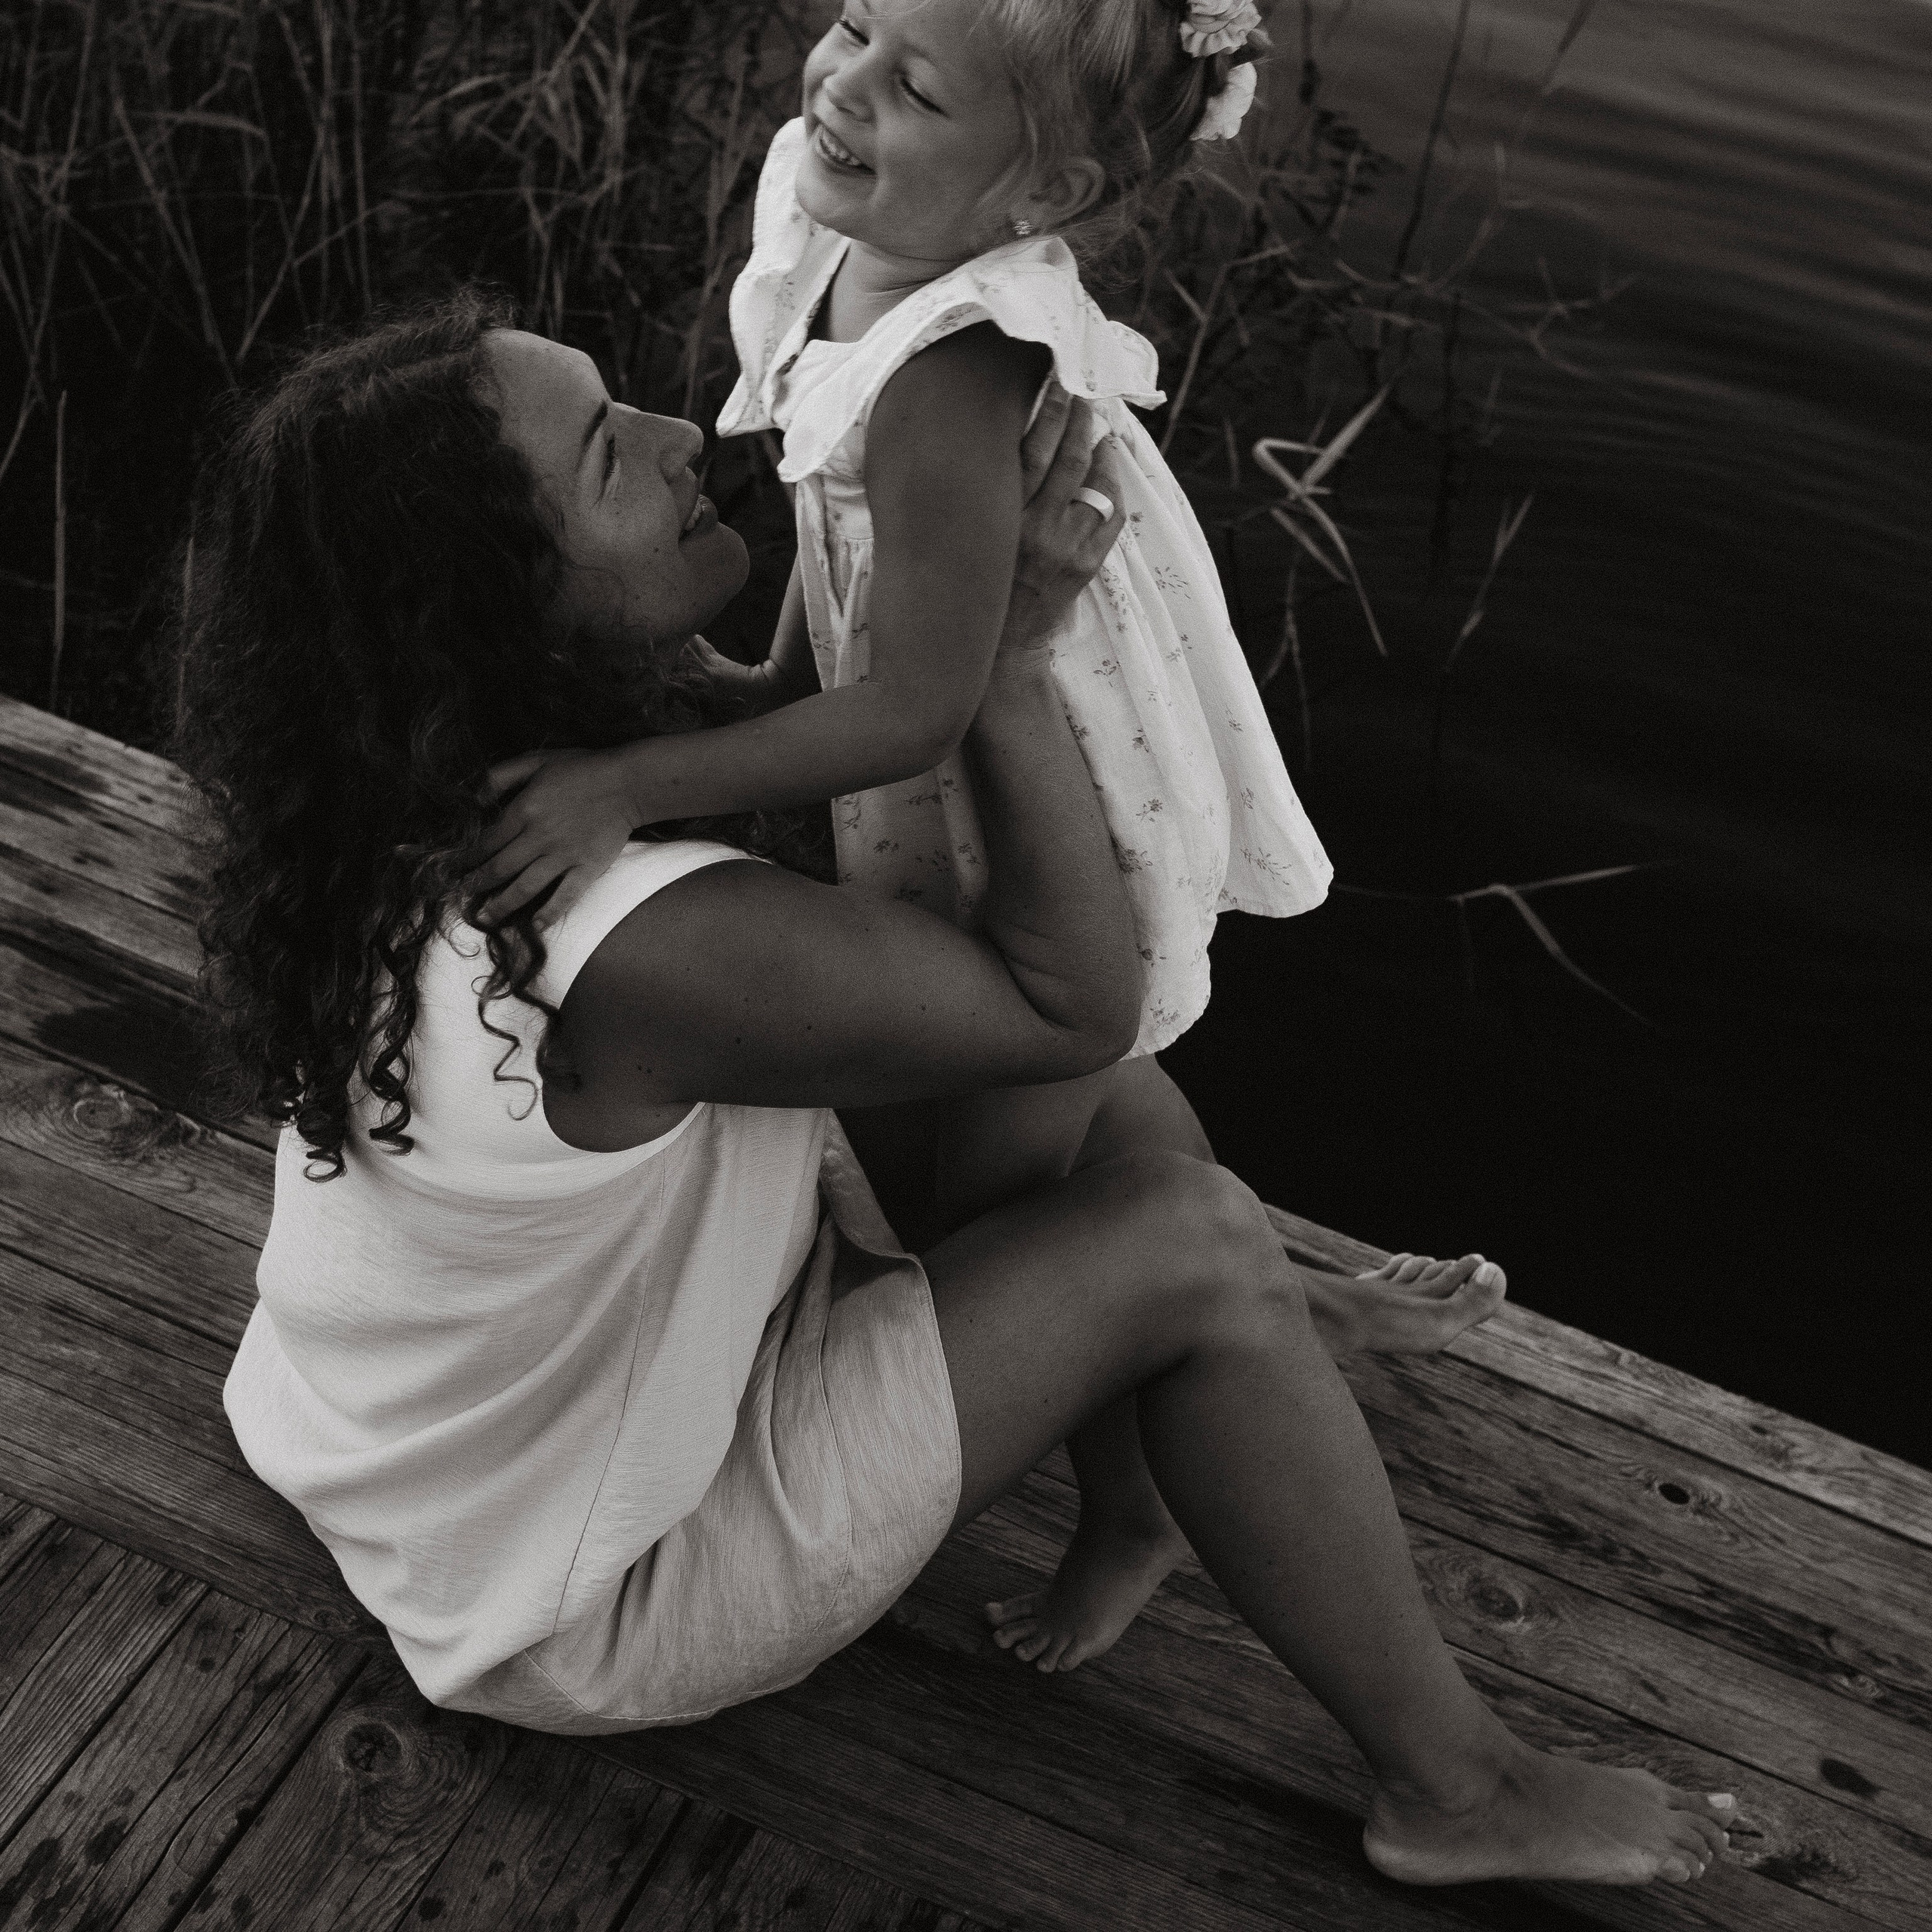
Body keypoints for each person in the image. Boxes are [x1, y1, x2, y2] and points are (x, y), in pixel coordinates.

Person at [186, 294, 1731, 1890]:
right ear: (505, 605)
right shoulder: (640, 949)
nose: (678, 439)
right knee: (1181, 1230)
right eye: (606, 458)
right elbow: (1069, 996)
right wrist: (1000, 668)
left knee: (1100, 1118)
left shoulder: (433, 777)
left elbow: (820, 770)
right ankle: (1453, 1782)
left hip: (393, 1443)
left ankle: (1260, 1334)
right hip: (584, 1597)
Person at [460, 0, 1329, 1241]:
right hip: (954, 682)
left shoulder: (954, 369)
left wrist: (628, 787)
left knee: (1007, 1137)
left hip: (1055, 766)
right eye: (855, 24)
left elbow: (924, 706)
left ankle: (1113, 1311)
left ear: (1042, 191)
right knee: (1059, 1072)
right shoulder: (858, 224)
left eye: (917, 92)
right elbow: (847, 527)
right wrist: (775, 685)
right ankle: (1251, 1273)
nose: (845, 85)